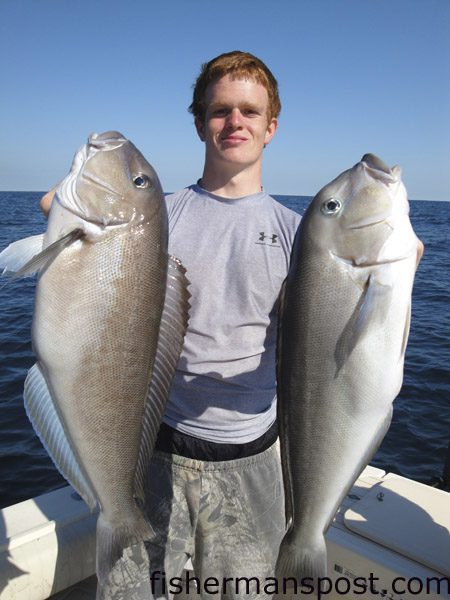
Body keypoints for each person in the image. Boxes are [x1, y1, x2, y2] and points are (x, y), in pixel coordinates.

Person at [41, 51, 301, 599]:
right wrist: (64, 227)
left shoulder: (298, 235)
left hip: (254, 461)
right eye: (220, 110)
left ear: (271, 126)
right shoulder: (155, 217)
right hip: (154, 451)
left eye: (250, 112)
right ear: (200, 121)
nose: (235, 123)